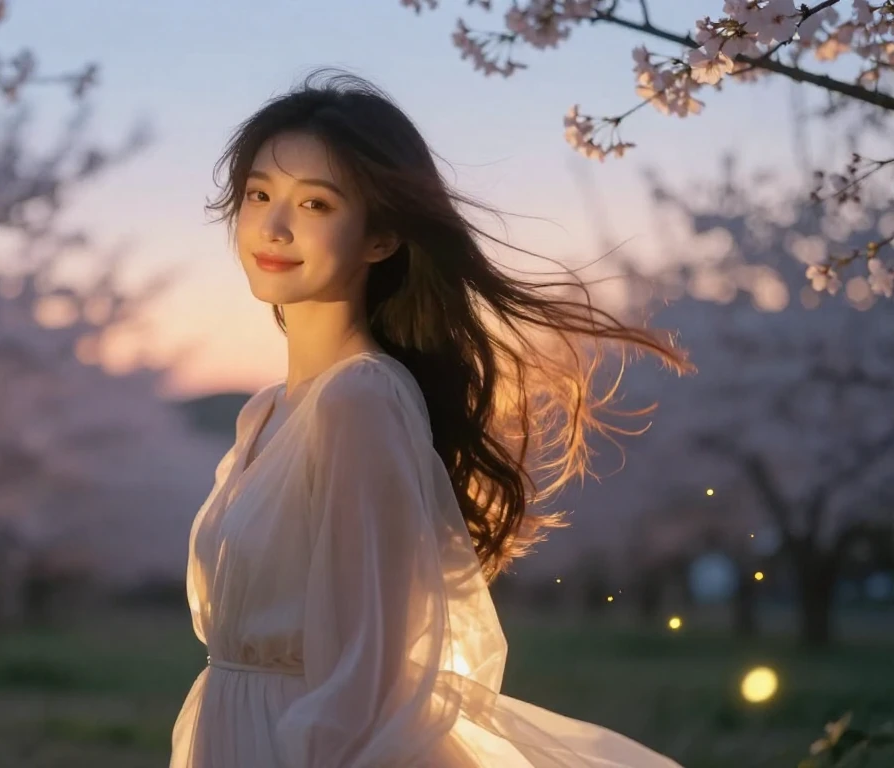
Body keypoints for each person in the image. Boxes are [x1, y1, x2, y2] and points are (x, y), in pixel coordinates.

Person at [169, 68, 692, 768]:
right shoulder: (265, 413)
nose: (274, 225)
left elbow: (364, 678)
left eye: (316, 204)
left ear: (380, 239)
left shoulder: (359, 402)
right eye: (259, 194)